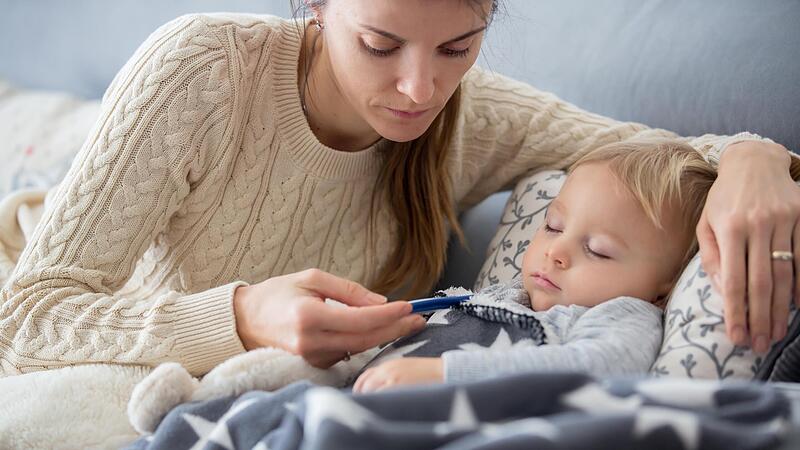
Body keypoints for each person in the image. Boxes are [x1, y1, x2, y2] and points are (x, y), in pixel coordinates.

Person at [1, 0, 799, 378]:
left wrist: (757, 159)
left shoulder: (471, 117)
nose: (420, 90)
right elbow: (27, 317)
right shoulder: (204, 69)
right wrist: (241, 316)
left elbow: (654, 159)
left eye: (458, 46)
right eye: (380, 45)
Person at [352, 139, 716, 392]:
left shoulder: (623, 315)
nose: (556, 250)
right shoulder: (506, 294)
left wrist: (447, 375)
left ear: (663, 290)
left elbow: (598, 368)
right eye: (553, 226)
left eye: (598, 250)